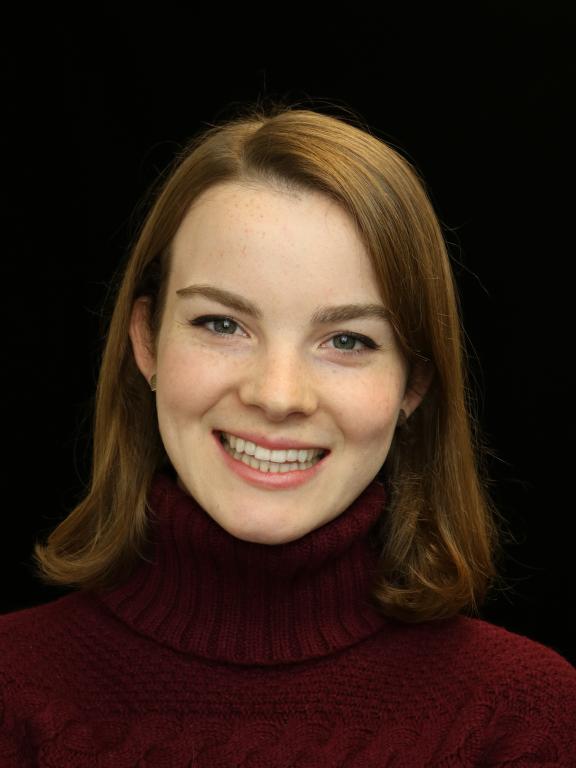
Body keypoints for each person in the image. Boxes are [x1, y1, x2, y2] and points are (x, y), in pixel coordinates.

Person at [1, 101, 575, 766]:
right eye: (222, 324)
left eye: (347, 340)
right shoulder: (14, 694)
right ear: (146, 341)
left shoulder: (524, 718)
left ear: (412, 385)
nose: (277, 396)